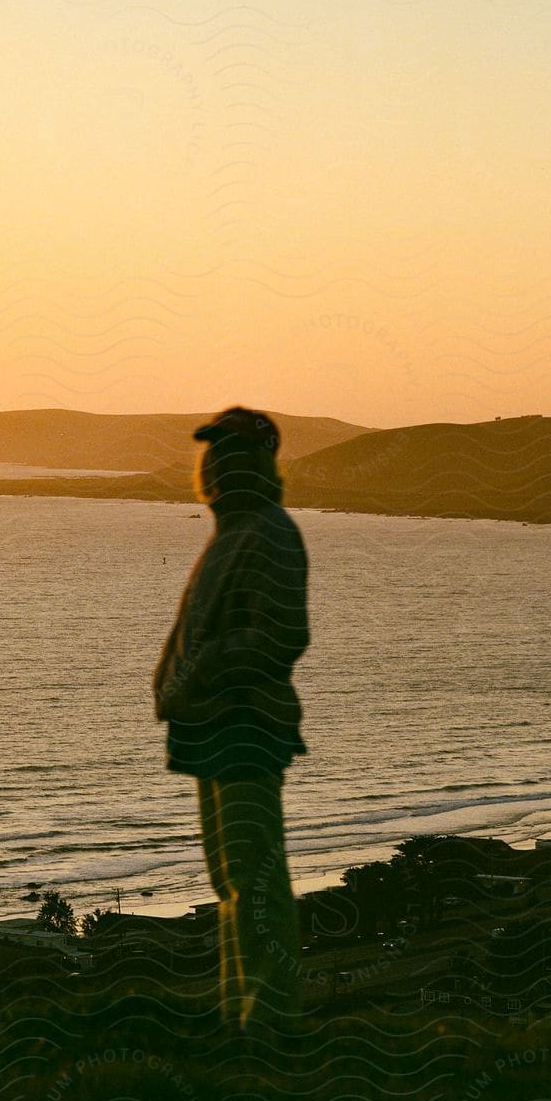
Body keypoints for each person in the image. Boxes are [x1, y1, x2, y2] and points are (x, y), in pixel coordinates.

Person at [152, 407, 309, 1036]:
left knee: (254, 879)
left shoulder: (267, 532)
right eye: (211, 450)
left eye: (227, 451)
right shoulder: (232, 532)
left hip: (245, 725)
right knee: (231, 881)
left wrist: (203, 671)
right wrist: (174, 682)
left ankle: (269, 1023)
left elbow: (281, 636)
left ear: (255, 462)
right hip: (213, 726)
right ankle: (243, 1017)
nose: (212, 462)